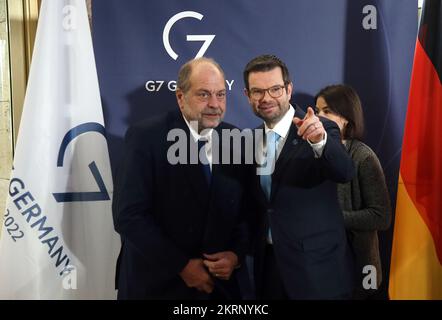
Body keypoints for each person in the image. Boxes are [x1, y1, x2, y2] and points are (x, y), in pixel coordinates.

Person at [113, 57, 249, 299]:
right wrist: (182, 266)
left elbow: (246, 210)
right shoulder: (147, 137)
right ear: (180, 97)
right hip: (158, 285)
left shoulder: (235, 139)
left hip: (220, 288)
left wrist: (235, 255)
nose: (214, 104)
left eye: (220, 94)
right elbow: (129, 216)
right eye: (204, 95)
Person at [243, 54, 355, 299]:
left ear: (289, 89)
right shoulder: (248, 140)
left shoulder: (321, 128)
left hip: (317, 272)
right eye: (257, 91)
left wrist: (319, 142)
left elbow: (344, 172)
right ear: (247, 96)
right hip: (268, 269)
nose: (266, 98)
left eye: (275, 89)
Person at [314, 84, 391, 299]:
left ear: (347, 118)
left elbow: (381, 217)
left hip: (359, 267)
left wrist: (333, 219)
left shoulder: (364, 157)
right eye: (317, 110)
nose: (319, 117)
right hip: (320, 264)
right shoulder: (309, 153)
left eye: (327, 111)